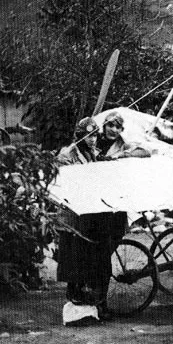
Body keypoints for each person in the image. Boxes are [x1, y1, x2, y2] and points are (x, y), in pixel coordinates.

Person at [56, 117, 127, 323]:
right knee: (75, 263)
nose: (92, 140)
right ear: (79, 136)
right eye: (88, 136)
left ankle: (98, 303)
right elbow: (66, 184)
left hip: (93, 218)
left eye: (95, 135)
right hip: (73, 219)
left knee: (99, 260)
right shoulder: (67, 155)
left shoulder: (96, 155)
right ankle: (77, 307)